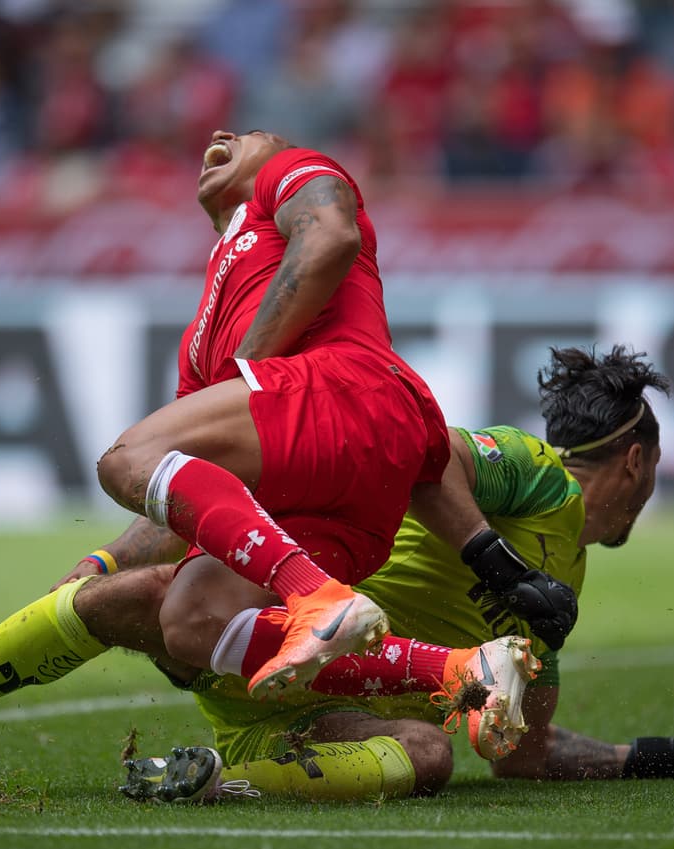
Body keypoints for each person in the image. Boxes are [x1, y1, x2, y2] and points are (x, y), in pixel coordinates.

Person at [0, 346, 674, 800]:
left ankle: (223, 779)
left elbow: (513, 749)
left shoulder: (564, 590)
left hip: (324, 705)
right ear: (635, 462)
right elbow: (442, 456)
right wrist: (494, 562)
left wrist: (655, 754)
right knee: (154, 590)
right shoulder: (534, 479)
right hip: (280, 624)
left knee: (429, 760)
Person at [82, 127, 556, 699]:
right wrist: (104, 564)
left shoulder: (285, 172)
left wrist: (246, 375)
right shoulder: (200, 341)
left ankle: (314, 594)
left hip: (351, 397)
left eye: (250, 133)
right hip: (353, 497)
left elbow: (331, 238)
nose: (222, 134)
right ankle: (465, 672)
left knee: (122, 458)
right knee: (191, 620)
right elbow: (188, 484)